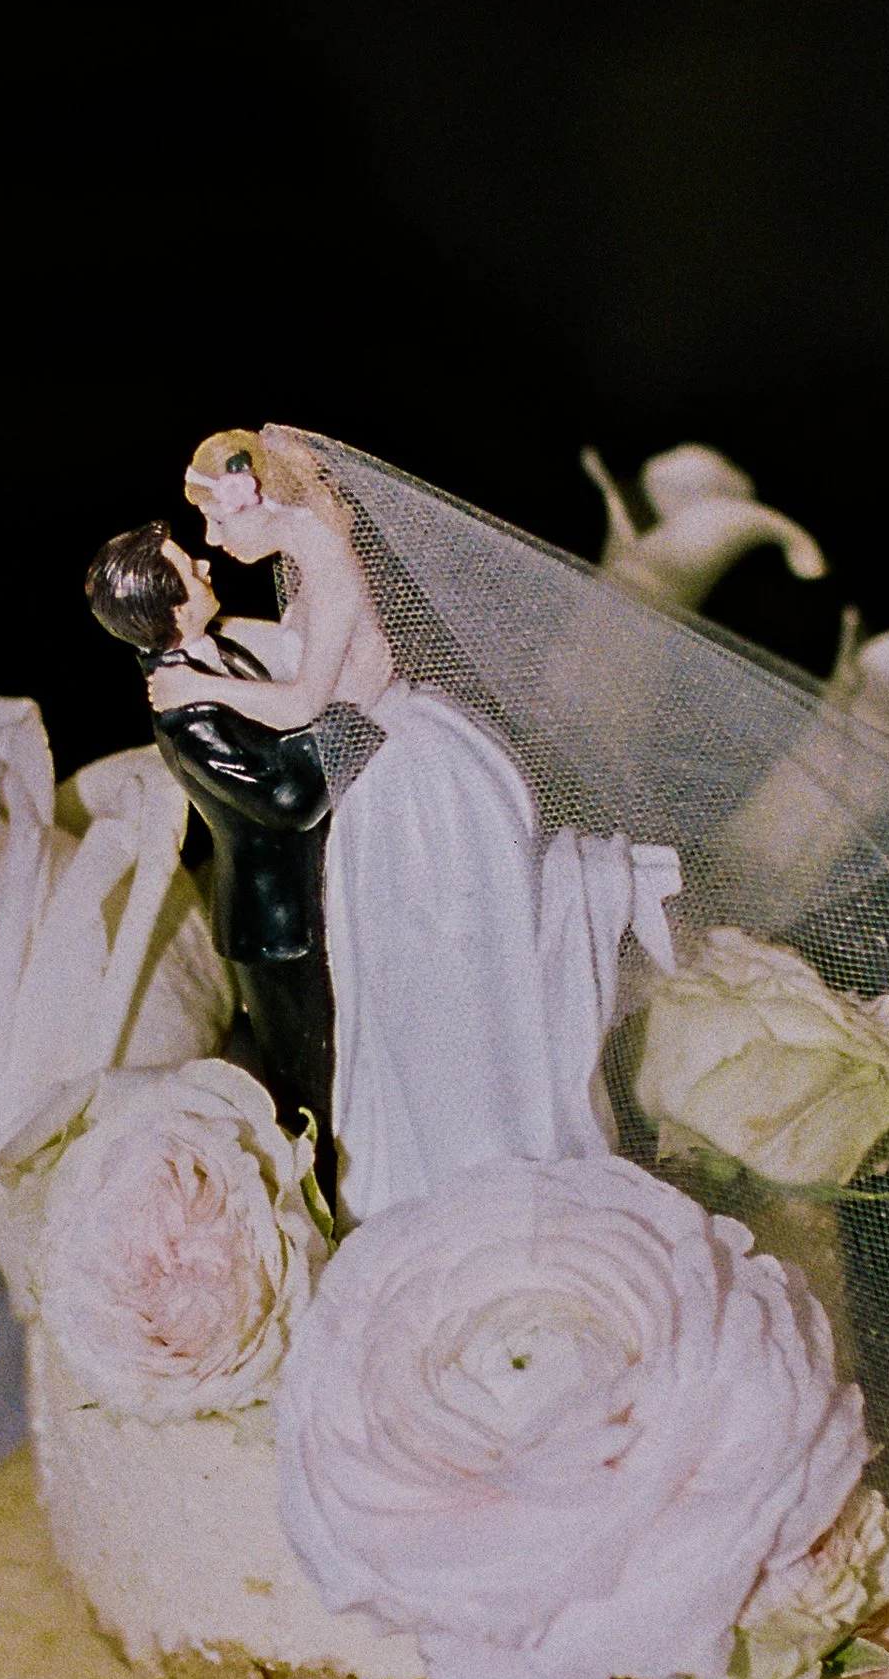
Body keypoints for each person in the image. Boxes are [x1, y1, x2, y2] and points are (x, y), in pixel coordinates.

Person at [175, 428, 680, 1222]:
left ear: (258, 502)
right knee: (407, 974)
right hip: (393, 765)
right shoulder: (311, 557)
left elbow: (308, 703)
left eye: (215, 518)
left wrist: (196, 691)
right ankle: (437, 1156)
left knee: (439, 966)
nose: (211, 538)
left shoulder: (330, 567)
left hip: (414, 787)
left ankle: (478, 1145)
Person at [84, 521, 338, 1198]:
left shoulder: (217, 655)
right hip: (281, 922)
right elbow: (292, 797)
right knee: (315, 1084)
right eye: (186, 570)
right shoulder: (186, 717)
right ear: (166, 614)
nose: (202, 563)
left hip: (317, 888)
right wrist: (343, 713)